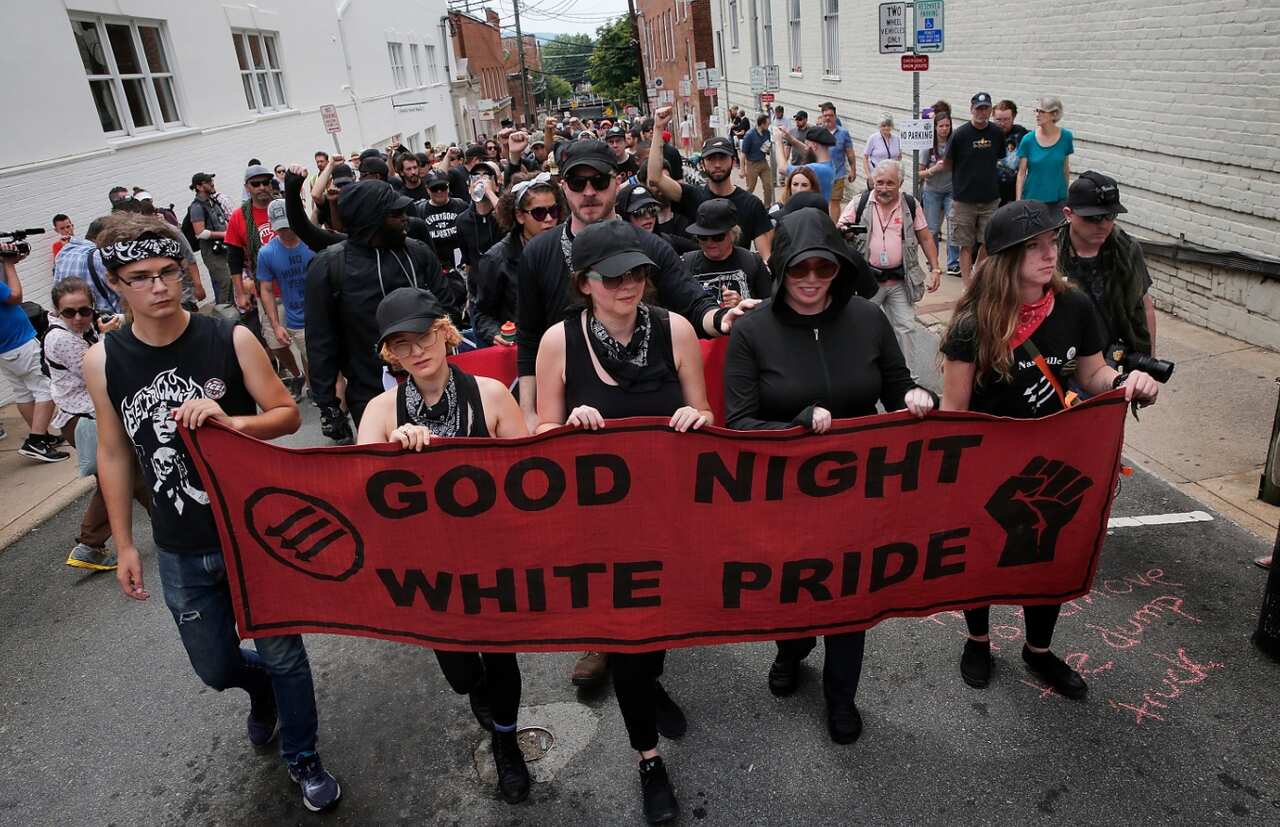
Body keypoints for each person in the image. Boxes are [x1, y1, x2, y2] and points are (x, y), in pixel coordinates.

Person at [81, 212, 342, 811]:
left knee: (285, 653)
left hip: (252, 532)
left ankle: (303, 755)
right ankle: (260, 694)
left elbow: (283, 413)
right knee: (216, 666)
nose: (160, 287)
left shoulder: (229, 337)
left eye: (170, 271)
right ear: (116, 285)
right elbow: (116, 455)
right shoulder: (104, 360)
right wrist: (124, 545)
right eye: (141, 276)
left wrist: (233, 420)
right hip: (179, 544)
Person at [724, 204, 935, 747]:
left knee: (850, 601)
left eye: (824, 268)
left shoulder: (868, 318)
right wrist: (794, 424)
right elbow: (740, 424)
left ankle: (842, 696)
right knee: (794, 595)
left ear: (838, 268)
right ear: (783, 269)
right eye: (800, 269)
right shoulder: (752, 331)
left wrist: (917, 396)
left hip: (858, 492)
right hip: (786, 496)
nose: (812, 281)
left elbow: (898, 385)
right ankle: (791, 650)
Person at [938, 200, 1159, 698]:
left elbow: (1092, 374)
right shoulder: (973, 325)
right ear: (1004, 259)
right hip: (990, 464)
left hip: (1055, 460)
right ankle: (978, 638)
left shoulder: (1075, 306)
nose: (1049, 254)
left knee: (1049, 553)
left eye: (1050, 243)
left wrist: (1126, 382)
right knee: (985, 553)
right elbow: (954, 411)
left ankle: (1038, 650)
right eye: (1034, 247)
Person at [534, 220, 712, 825]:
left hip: (671, 513)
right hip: (600, 525)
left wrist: (694, 417)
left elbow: (705, 410)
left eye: (637, 274)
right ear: (585, 283)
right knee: (630, 642)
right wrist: (568, 428)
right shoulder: (558, 341)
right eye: (614, 278)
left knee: (659, 633)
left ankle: (653, 677)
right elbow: (540, 439)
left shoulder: (675, 329)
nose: (629, 286)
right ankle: (648, 759)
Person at [356, 287, 531, 803]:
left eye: (425, 336)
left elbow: (528, 480)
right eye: (402, 345)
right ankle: (475, 688)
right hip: (426, 567)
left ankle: (506, 742)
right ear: (391, 354)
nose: (418, 352)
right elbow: (360, 489)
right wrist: (395, 455)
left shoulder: (492, 394)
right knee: (459, 672)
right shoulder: (382, 411)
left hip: (489, 556)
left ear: (446, 331)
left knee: (501, 659)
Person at [305, 180, 460, 437]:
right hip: (371, 392)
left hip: (436, 386)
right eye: (395, 214)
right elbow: (321, 339)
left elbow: (448, 312)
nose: (405, 219)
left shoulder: (418, 252)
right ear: (371, 220)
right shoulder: (329, 266)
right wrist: (328, 404)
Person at [44, 277, 150, 570]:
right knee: (122, 473)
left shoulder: (79, 328)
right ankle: (90, 544)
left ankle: (175, 527)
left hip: (92, 414)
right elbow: (101, 369)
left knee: (124, 474)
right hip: (83, 420)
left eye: (84, 311)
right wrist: (107, 337)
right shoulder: (60, 338)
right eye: (70, 312)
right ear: (56, 310)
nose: (78, 318)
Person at [647, 107, 774, 260]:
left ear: (733, 161)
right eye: (711, 159)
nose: (717, 164)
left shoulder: (751, 204)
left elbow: (766, 256)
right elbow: (655, 178)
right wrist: (658, 128)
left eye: (722, 158)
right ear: (702, 164)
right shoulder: (693, 196)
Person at [839, 160, 942, 349]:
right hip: (868, 282)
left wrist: (935, 268)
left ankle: (908, 375)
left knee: (906, 328)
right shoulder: (859, 203)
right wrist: (844, 231)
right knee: (862, 328)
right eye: (879, 182)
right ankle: (865, 373)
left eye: (890, 183)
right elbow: (838, 230)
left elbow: (926, 238)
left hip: (900, 281)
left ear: (900, 184)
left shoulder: (910, 205)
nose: (883, 188)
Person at [1059, 171, 1157, 360]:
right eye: (1092, 217)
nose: (1103, 225)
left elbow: (1144, 306)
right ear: (1068, 214)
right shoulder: (1051, 252)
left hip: (1121, 354)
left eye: (1110, 215)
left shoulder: (1126, 249)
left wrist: (1150, 359)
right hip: (1070, 358)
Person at [226, 164, 304, 384]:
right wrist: (240, 293)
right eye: (255, 183)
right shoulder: (239, 217)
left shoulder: (286, 207)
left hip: (297, 286)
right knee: (275, 343)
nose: (262, 187)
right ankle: (297, 376)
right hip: (267, 290)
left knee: (306, 342)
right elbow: (233, 258)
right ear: (247, 187)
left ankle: (315, 385)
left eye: (265, 182)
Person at [472, 173, 563, 348]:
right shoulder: (495, 259)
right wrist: (496, 334)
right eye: (539, 213)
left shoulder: (568, 247)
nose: (549, 218)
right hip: (523, 350)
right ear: (520, 216)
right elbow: (482, 315)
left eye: (554, 210)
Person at [0, 242, 70, 462]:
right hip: (18, 343)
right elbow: (15, 296)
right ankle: (37, 440)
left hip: (5, 348)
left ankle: (41, 435)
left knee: (23, 392)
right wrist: (10, 265)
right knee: (47, 389)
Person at [941, 93, 1005, 286]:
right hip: (964, 200)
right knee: (965, 244)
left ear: (990, 110)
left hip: (990, 198)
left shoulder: (996, 133)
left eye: (985, 108)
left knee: (987, 241)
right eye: (978, 108)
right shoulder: (960, 134)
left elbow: (1000, 157)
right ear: (971, 109)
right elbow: (948, 163)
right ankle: (967, 286)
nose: (981, 112)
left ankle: (978, 273)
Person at [256, 200, 314, 398]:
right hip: (293, 311)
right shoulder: (267, 253)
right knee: (278, 345)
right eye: (281, 228)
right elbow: (266, 289)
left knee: (319, 360)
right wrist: (276, 324)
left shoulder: (311, 242)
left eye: (289, 226)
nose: (286, 232)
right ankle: (301, 377)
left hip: (316, 311)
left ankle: (318, 390)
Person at [682, 199, 772, 306]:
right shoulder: (686, 263)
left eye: (718, 237)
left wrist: (743, 304)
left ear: (733, 234)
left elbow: (769, 306)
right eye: (703, 237)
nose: (710, 243)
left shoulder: (752, 262)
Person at [919, 111, 961, 276]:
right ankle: (933, 261)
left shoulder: (954, 144)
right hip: (932, 192)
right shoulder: (928, 147)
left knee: (953, 227)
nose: (944, 129)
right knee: (933, 229)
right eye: (941, 126)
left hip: (951, 190)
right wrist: (933, 170)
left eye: (947, 125)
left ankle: (953, 263)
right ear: (935, 127)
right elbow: (918, 173)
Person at [1016, 96, 1074, 210]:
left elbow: (1065, 169)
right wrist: (1018, 201)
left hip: (1058, 199)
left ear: (1054, 114)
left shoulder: (1066, 137)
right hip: (1032, 200)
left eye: (1042, 111)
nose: (1037, 114)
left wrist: (1067, 197)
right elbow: (1021, 173)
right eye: (1036, 110)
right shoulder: (1028, 139)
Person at [188, 172, 233, 305]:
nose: (212, 184)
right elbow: (199, 232)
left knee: (232, 280)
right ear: (199, 187)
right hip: (212, 252)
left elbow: (222, 221)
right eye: (208, 182)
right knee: (225, 282)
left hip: (224, 247)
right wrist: (223, 235)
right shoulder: (196, 207)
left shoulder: (213, 201)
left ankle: (234, 313)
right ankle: (224, 314)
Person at [411, 169, 469, 271]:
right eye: (434, 188)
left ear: (448, 187)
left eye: (442, 187)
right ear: (427, 189)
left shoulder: (461, 205)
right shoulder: (419, 210)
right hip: (434, 266)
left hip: (460, 264)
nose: (439, 191)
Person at [619, 182, 696, 255]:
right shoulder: (618, 250)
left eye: (653, 210)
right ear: (625, 217)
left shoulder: (667, 242)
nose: (648, 216)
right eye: (639, 212)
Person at [819, 103, 857, 220]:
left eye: (830, 115)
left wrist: (853, 170)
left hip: (838, 174)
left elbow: (849, 152)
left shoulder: (843, 133)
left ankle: (834, 228)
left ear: (835, 116)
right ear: (822, 117)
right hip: (820, 174)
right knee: (821, 203)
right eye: (825, 115)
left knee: (835, 202)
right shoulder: (818, 133)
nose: (828, 118)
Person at [994, 99, 1029, 206]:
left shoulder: (1022, 134)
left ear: (1013, 117)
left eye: (1006, 119)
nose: (1002, 123)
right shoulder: (987, 133)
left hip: (1012, 193)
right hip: (990, 193)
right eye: (998, 120)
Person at [740, 114, 774, 205]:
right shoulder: (749, 135)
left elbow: (767, 145)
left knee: (768, 185)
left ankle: (767, 206)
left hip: (763, 162)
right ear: (762, 124)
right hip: (752, 164)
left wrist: (768, 149)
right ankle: (743, 204)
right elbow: (743, 154)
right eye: (767, 123)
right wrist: (742, 170)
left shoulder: (767, 132)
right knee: (751, 187)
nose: (768, 125)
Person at [862, 115, 902, 186]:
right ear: (879, 126)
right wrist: (869, 176)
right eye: (883, 125)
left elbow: (899, 157)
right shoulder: (873, 138)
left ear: (892, 126)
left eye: (889, 125)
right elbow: (865, 158)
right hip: (876, 177)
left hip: (891, 177)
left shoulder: (896, 139)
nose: (886, 128)